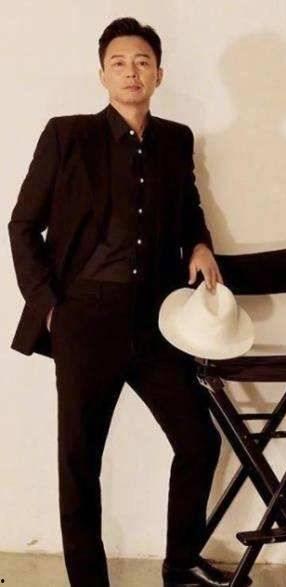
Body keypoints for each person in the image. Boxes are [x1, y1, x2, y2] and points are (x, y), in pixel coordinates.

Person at [8, 17, 236, 587]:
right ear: (103, 74)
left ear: (159, 73)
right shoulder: (67, 135)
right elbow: (22, 225)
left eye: (142, 62)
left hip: (157, 319)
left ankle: (180, 566)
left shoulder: (176, 140)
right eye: (119, 63)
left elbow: (188, 209)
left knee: (199, 440)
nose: (131, 72)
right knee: (80, 461)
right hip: (84, 315)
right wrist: (50, 306)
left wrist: (200, 243)